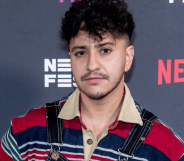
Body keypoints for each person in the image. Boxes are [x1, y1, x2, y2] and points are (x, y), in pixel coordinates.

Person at [0, 0, 184, 160]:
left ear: (128, 58)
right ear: (70, 57)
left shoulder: (168, 150)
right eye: (81, 52)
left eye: (105, 50)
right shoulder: (24, 134)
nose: (92, 65)